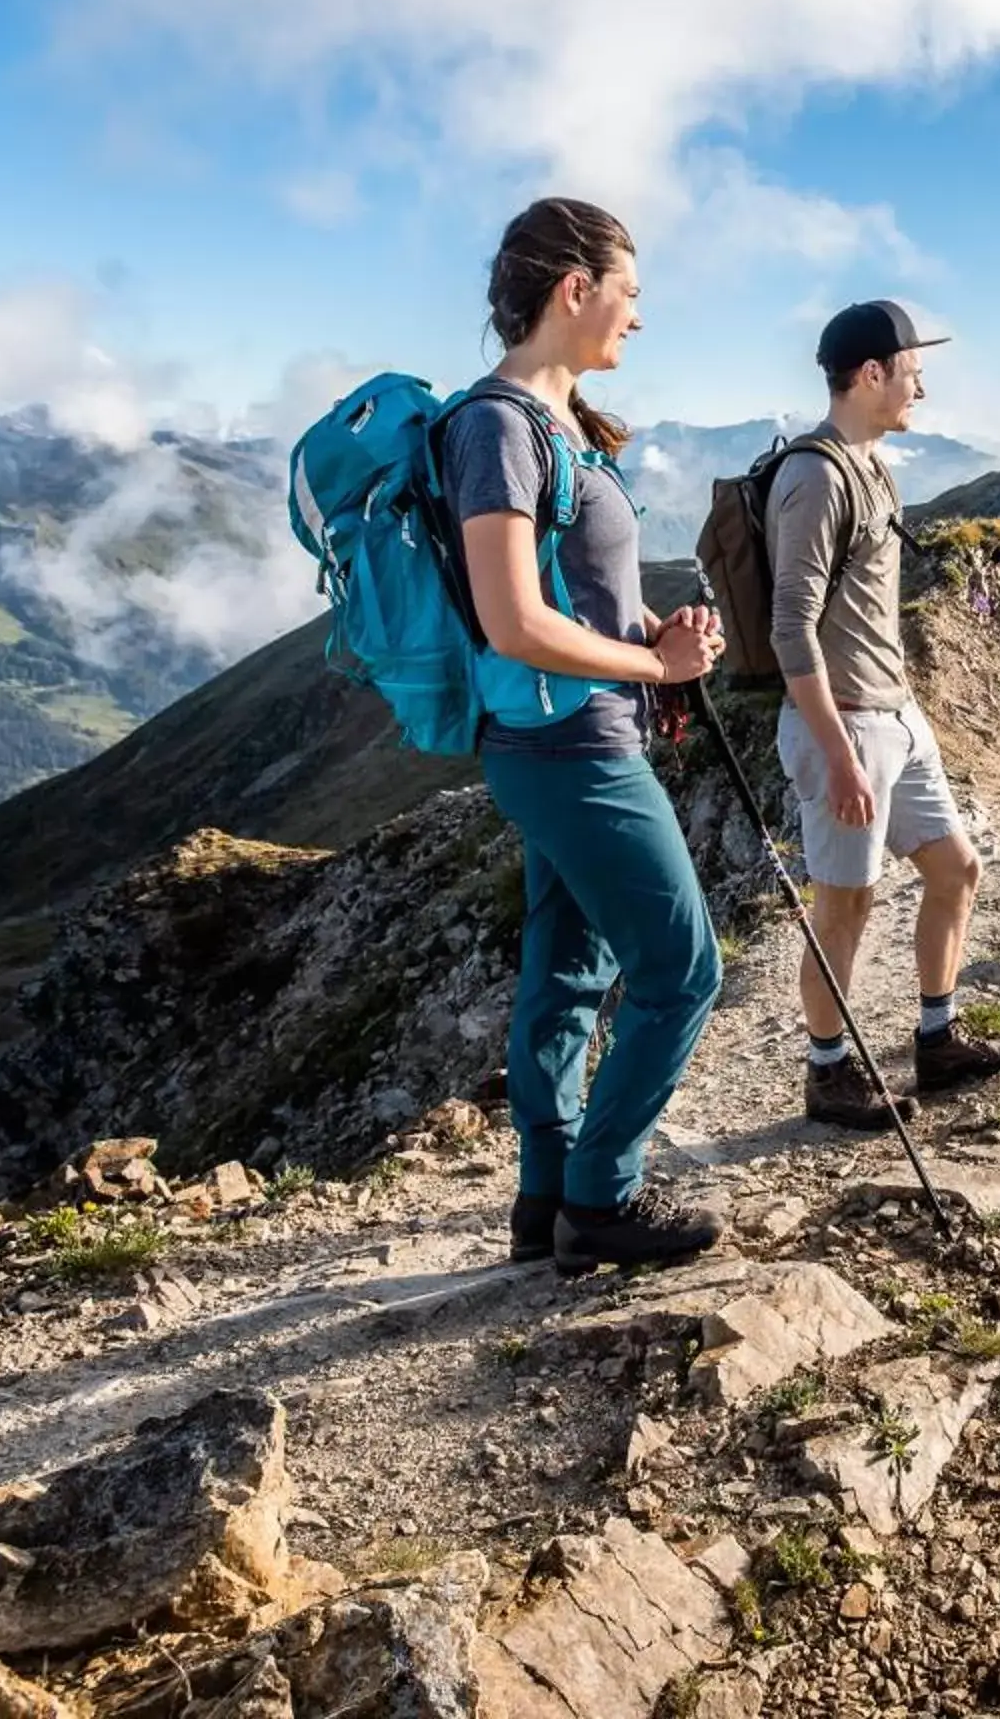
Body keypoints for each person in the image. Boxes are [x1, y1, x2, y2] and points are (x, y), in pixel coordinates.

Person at [442, 196, 727, 1275]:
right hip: (574, 751)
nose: (636, 319)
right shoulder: (500, 427)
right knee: (683, 968)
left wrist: (654, 630)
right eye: (630, 294)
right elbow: (513, 616)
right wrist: (657, 666)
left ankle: (547, 1193)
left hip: (563, 739)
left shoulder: (554, 428)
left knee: (568, 967)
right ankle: (604, 1197)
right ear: (576, 289)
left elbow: (570, 599)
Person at [768, 299, 1000, 1129]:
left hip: (896, 717)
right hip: (845, 725)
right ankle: (828, 1073)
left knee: (956, 870)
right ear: (871, 373)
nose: (922, 384)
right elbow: (789, 626)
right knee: (845, 906)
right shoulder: (815, 476)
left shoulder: (875, 465)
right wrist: (837, 753)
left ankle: (937, 1039)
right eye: (913, 369)